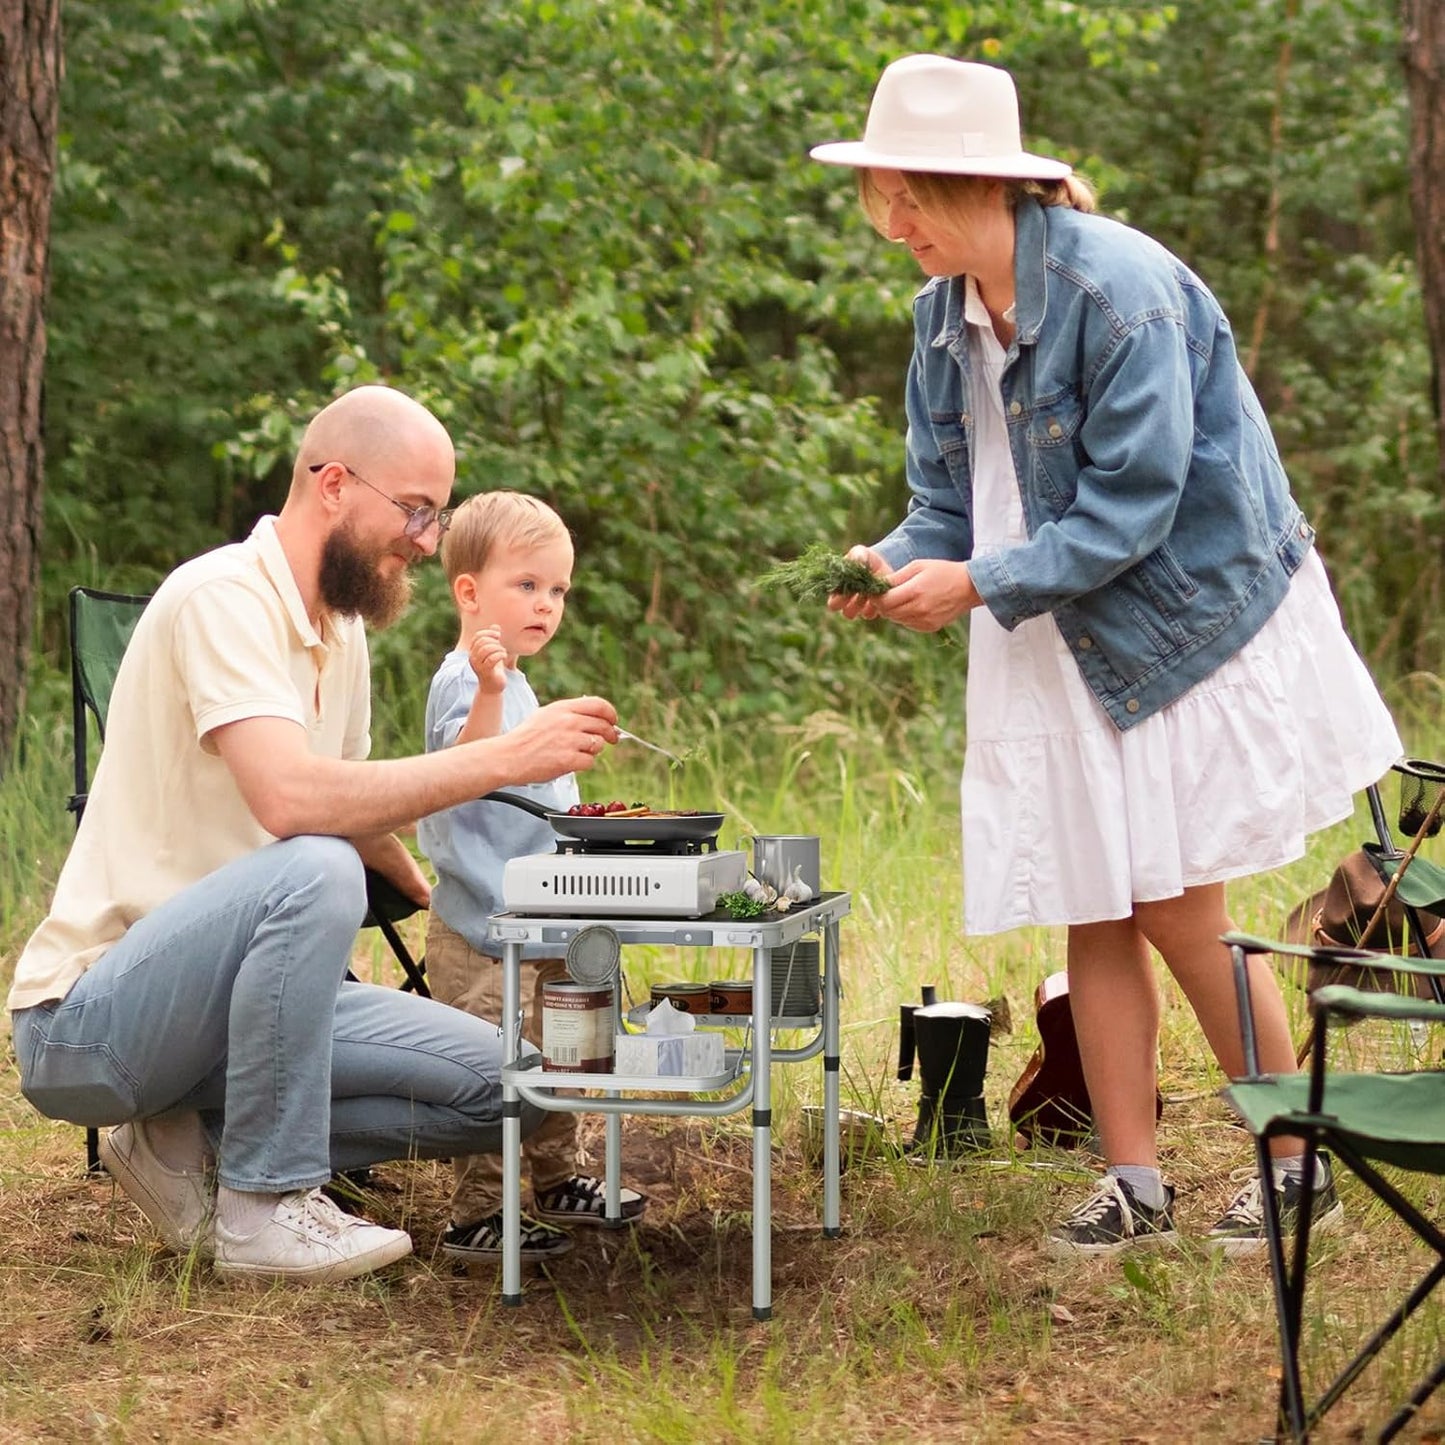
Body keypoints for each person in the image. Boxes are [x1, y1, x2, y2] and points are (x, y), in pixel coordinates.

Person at [810, 55, 1403, 1256]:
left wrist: (975, 582)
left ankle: (1298, 1162)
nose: (894, 225)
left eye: (908, 200)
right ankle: (1132, 1182)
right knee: (1090, 897)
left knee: (1177, 904)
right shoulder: (939, 319)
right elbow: (945, 503)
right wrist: (890, 560)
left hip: (1175, 618)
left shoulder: (1120, 290)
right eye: (881, 201)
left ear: (980, 186)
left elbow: (1133, 508)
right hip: (1042, 627)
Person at [7, 384, 620, 1284]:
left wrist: (424, 886)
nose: (427, 540)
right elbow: (294, 801)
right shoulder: (223, 596)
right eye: (416, 510)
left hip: (253, 1014)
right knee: (317, 864)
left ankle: (195, 1142)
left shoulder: (342, 628)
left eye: (436, 514)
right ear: (335, 484)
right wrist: (505, 756)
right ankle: (265, 1203)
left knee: (514, 1084)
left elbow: (358, 806)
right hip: (96, 1021)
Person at [417, 491, 647, 1263]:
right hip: (484, 931)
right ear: (469, 591)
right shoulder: (466, 680)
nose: (546, 604)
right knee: (498, 1062)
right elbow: (463, 769)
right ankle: (476, 1210)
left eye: (558, 590)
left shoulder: (515, 680)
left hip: (538, 917)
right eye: (527, 585)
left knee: (563, 1047)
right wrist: (488, 692)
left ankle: (555, 1177)